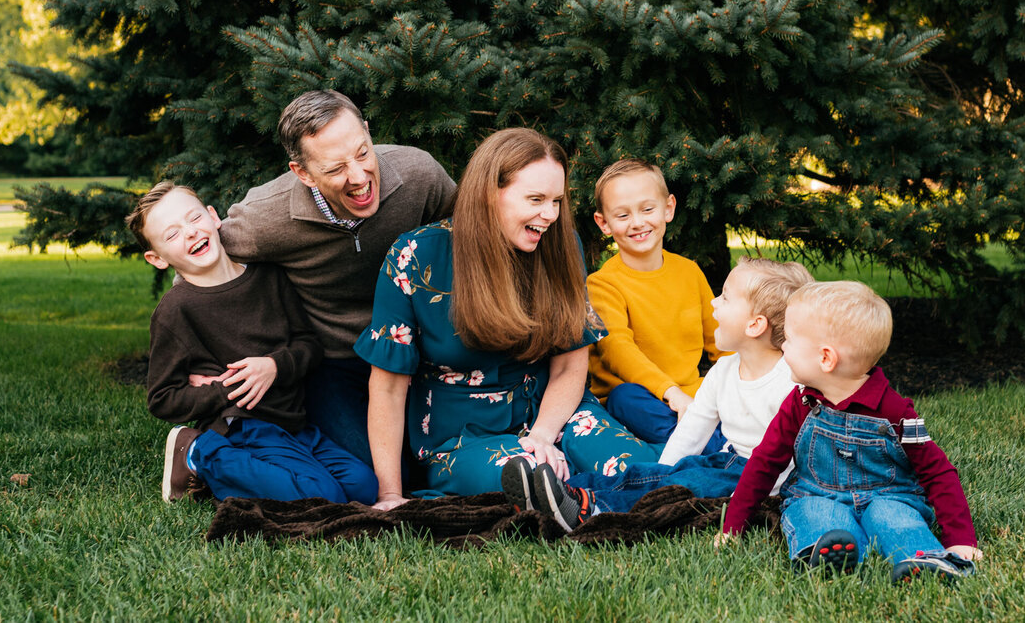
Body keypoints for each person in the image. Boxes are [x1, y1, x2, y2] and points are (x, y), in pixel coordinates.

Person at [354, 128, 659, 510]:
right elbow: (387, 388)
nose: (549, 215)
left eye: (556, 201)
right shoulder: (415, 257)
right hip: (462, 437)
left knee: (640, 468)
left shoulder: (561, 245)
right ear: (488, 193)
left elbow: (569, 364)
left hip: (554, 411)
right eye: (535, 199)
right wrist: (390, 495)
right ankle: (585, 501)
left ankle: (585, 500)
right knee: (528, 476)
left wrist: (545, 436)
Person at [220, 90, 456, 465]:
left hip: (418, 353)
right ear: (302, 173)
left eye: (363, 153)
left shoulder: (420, 175)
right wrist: (199, 364)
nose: (360, 177)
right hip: (334, 363)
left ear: (366, 131)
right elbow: (203, 270)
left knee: (439, 458)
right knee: (384, 470)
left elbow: (466, 238)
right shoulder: (263, 218)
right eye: (335, 169)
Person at [505, 257, 810, 532]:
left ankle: (591, 509)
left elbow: (789, 458)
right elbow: (693, 427)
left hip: (755, 479)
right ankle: (560, 490)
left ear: (755, 325)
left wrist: (744, 500)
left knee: (688, 483)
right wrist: (664, 472)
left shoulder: (788, 380)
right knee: (648, 475)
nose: (714, 303)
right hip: (725, 460)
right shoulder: (725, 369)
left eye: (726, 298)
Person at [719, 281, 984, 583]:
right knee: (814, 513)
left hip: (889, 496)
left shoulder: (897, 413)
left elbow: (938, 472)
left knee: (894, 519)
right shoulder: (800, 402)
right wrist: (733, 526)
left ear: (826, 358)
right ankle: (828, 551)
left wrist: (961, 538)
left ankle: (922, 559)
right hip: (818, 493)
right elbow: (764, 462)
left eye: (789, 339)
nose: (782, 346)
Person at [129, 182, 377, 505]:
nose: (190, 233)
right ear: (157, 258)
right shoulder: (176, 311)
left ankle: (257, 473)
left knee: (364, 488)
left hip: (295, 423)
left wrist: (274, 366)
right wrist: (224, 390)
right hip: (243, 429)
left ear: (213, 217)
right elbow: (162, 398)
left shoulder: (269, 277)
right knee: (322, 497)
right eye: (172, 235)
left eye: (193, 219)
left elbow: (309, 345)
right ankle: (198, 453)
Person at [585, 158, 727, 452]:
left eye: (647, 209)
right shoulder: (603, 284)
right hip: (642, 401)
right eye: (622, 215)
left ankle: (698, 442)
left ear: (668, 208)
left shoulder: (688, 271)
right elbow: (619, 352)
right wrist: (671, 393)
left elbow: (722, 341)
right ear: (604, 223)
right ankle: (710, 446)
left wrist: (746, 382)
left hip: (693, 395)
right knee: (625, 398)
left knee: (730, 388)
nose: (637, 222)